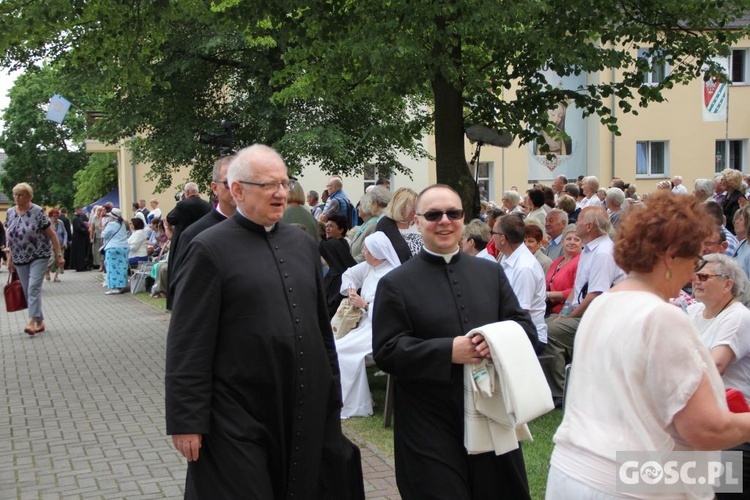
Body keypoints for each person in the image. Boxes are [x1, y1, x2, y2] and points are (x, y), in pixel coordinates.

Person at [165, 144, 364, 499]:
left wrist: (332, 391)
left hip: (301, 403)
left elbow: (320, 328)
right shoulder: (208, 248)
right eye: (268, 185)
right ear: (237, 190)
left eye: (284, 184)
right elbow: (188, 340)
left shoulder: (302, 244)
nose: (280, 193)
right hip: (237, 410)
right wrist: (186, 420)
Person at [546, 191, 750, 499]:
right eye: (695, 259)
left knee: (730, 476)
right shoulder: (662, 317)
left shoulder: (605, 303)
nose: (694, 272)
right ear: (670, 257)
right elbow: (706, 429)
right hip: (630, 480)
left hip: (574, 469)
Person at [372, 184, 536, 500]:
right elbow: (387, 351)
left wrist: (496, 341)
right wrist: (448, 351)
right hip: (428, 420)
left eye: (453, 213)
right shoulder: (395, 283)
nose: (444, 221)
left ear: (463, 219)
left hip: (490, 412)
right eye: (433, 214)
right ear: (417, 222)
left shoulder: (490, 273)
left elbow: (525, 328)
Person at [543, 206, 625, 406]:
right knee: (542, 325)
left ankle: (562, 394)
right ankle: (553, 389)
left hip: (599, 319)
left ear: (589, 226)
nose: (575, 223)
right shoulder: (590, 250)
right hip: (583, 313)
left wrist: (568, 318)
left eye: (578, 220)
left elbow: (595, 296)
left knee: (549, 330)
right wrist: (564, 313)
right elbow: (577, 290)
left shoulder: (603, 252)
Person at [336, 232, 400, 419]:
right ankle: (343, 398)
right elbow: (349, 274)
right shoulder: (371, 267)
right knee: (334, 346)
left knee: (341, 351)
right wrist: (351, 290)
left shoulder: (390, 276)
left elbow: (390, 313)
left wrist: (364, 305)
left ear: (376, 253)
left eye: (366, 249)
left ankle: (355, 403)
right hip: (364, 324)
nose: (363, 252)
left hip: (378, 330)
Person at [5, 183, 65, 335]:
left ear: (29, 197)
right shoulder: (10, 212)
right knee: (27, 290)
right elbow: (10, 238)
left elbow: (52, 234)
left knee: (33, 288)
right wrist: (9, 259)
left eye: (20, 195)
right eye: (15, 195)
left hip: (39, 255)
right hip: (19, 257)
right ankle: (41, 322)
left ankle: (31, 321)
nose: (16, 198)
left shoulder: (37, 211)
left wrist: (59, 255)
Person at [494, 214, 548, 353]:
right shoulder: (508, 258)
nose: (491, 237)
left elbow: (520, 314)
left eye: (493, 233)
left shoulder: (524, 268)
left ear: (502, 238)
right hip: (514, 331)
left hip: (528, 337)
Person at [165, 181, 213, 309]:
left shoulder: (182, 205)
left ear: (186, 193)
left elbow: (170, 218)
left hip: (183, 242)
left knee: (179, 271)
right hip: (203, 242)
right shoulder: (207, 206)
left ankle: (176, 301)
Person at [320, 215, 357, 318]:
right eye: (327, 226)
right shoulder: (342, 245)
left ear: (341, 230)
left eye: (331, 226)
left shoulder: (329, 245)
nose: (327, 229)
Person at [375, 187, 423, 264]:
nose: (416, 211)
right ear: (401, 207)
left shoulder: (420, 222)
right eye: (413, 208)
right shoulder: (385, 225)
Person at [544, 224, 582, 316]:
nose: (572, 242)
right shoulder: (557, 261)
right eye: (569, 239)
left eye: (576, 240)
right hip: (547, 308)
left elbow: (576, 290)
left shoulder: (581, 262)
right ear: (562, 241)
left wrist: (549, 295)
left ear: (582, 243)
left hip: (565, 312)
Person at [349, 187, 391, 263]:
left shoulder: (379, 223)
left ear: (375, 203)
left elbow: (369, 253)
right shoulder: (380, 221)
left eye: (370, 203)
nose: (368, 206)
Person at [100, 208, 129, 295]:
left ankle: (114, 287)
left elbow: (104, 235)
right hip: (124, 247)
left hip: (112, 248)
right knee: (122, 267)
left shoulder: (111, 224)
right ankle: (121, 285)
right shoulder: (122, 225)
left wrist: (103, 229)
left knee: (112, 268)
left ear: (112, 217)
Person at [46, 209, 67, 282]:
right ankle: (47, 271)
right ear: (50, 216)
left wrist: (65, 242)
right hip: (51, 245)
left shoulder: (60, 222)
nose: (56, 217)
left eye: (57, 216)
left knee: (60, 261)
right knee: (52, 259)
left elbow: (65, 233)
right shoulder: (47, 223)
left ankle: (56, 276)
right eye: (54, 216)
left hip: (60, 244)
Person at [722, 168, 745, 235]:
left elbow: (734, 218)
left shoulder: (738, 198)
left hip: (732, 232)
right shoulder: (727, 195)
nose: (721, 182)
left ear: (729, 182)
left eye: (723, 180)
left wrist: (720, 216)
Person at [69, 205, 91, 271]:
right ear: (77, 210)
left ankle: (82, 265)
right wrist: (86, 230)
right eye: (80, 210)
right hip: (79, 239)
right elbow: (78, 228)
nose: (82, 211)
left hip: (81, 239)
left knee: (82, 253)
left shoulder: (79, 218)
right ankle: (80, 266)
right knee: (79, 253)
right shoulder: (75, 218)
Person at [89, 205, 105, 271]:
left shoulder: (103, 218)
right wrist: (91, 237)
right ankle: (99, 264)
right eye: (98, 210)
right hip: (96, 236)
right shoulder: (94, 218)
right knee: (96, 251)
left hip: (103, 236)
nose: (100, 212)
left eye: (101, 210)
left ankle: (102, 265)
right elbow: (92, 228)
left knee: (102, 251)